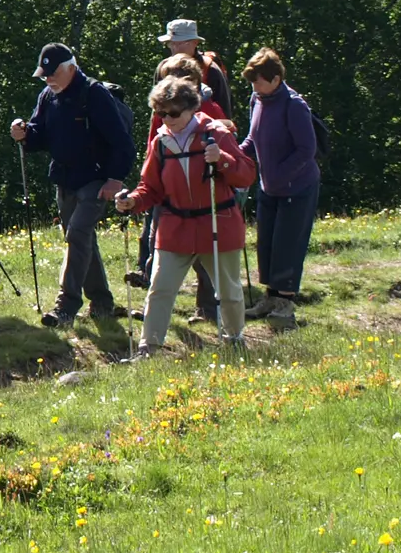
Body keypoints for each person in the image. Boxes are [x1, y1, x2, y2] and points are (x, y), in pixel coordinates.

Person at [114, 77, 254, 355]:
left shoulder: (215, 134)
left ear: (191, 108)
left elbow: (247, 173)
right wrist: (132, 201)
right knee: (159, 289)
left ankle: (235, 340)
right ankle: (148, 348)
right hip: (175, 228)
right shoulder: (161, 143)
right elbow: (150, 188)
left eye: (173, 113)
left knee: (228, 291)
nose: (167, 119)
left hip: (218, 224)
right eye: (161, 113)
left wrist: (223, 159)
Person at [9, 43, 134, 328]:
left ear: (71, 68)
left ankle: (66, 308)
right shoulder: (47, 96)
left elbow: (122, 141)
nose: (48, 79)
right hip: (64, 179)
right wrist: (24, 133)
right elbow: (39, 134)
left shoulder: (95, 94)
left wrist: (115, 179)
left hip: (96, 178)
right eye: (45, 75)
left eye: (53, 74)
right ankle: (102, 302)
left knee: (77, 234)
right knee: (82, 238)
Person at [124, 54, 232, 324]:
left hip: (205, 206)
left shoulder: (209, 113)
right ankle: (154, 320)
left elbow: (232, 143)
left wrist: (220, 158)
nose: (165, 117)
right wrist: (137, 195)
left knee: (206, 261)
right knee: (153, 244)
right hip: (167, 193)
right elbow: (155, 140)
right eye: (164, 77)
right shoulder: (162, 111)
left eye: (172, 77)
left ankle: (210, 310)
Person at [239, 48, 321, 323]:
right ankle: (270, 297)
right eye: (252, 82)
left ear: (275, 79)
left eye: (259, 81)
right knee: (267, 243)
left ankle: (285, 301)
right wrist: (235, 157)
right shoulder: (257, 100)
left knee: (288, 242)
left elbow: (306, 149)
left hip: (297, 188)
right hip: (268, 188)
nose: (255, 87)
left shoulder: (294, 105)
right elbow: (252, 139)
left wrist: (281, 176)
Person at [160, 19, 235, 117]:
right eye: (171, 43)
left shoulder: (211, 69)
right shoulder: (163, 68)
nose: (174, 48)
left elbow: (224, 108)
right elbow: (157, 107)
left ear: (195, 42)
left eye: (179, 43)